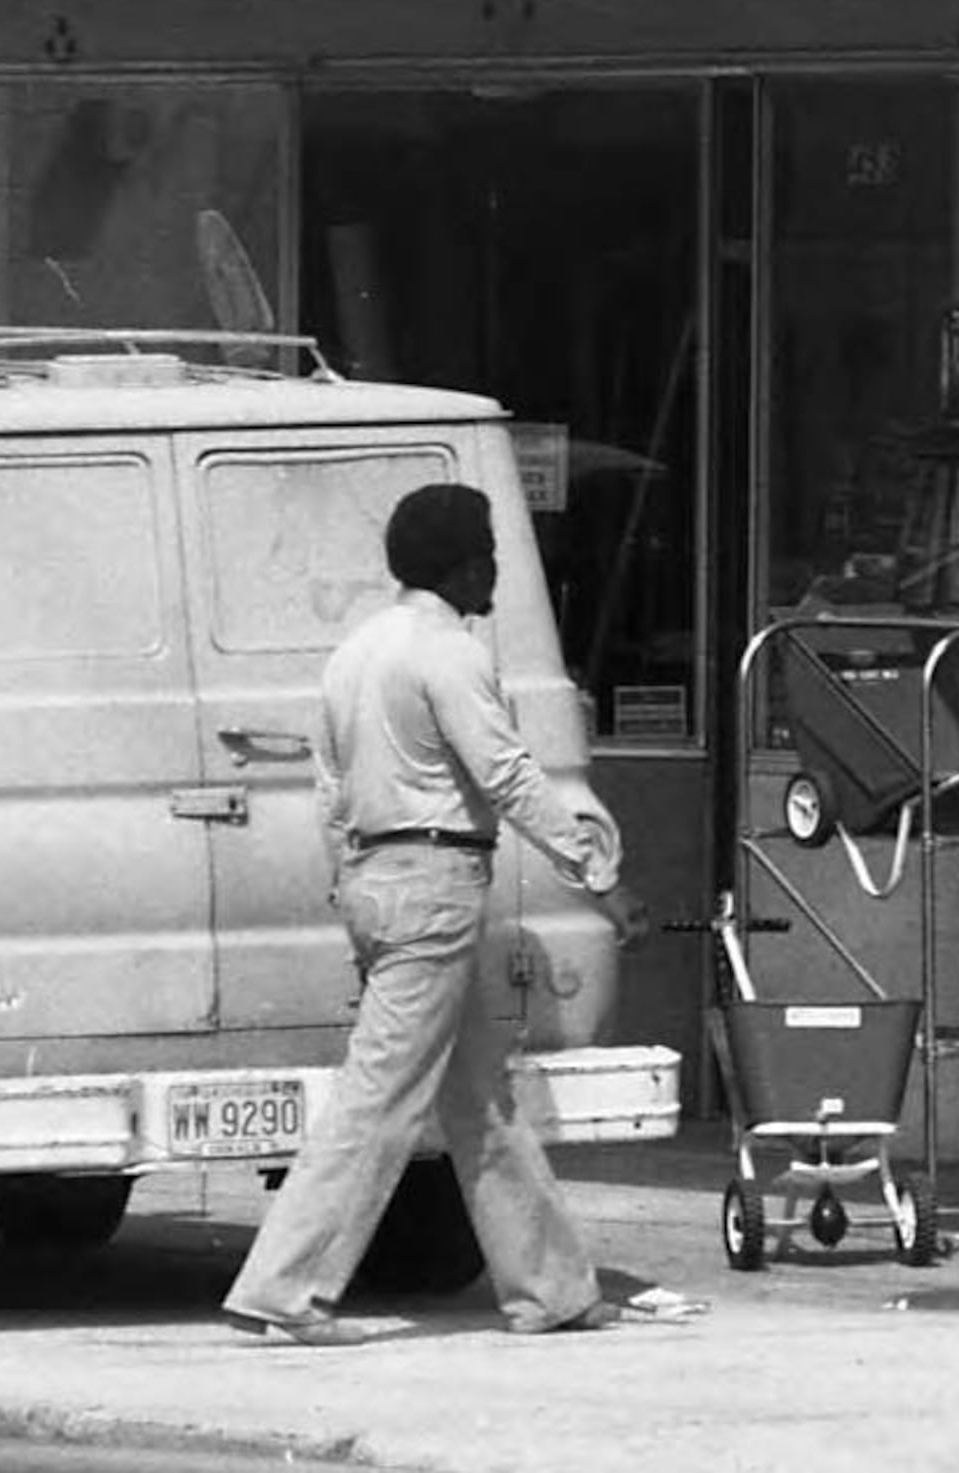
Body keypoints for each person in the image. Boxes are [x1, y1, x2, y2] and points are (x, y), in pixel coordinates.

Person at [221, 480, 668, 1345]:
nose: (495, 568)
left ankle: (552, 1289)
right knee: (379, 1098)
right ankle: (283, 1290)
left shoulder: (355, 651)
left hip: (375, 876)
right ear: (461, 564)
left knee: (481, 1097)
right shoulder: (450, 651)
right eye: (489, 553)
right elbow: (506, 776)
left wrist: (350, 885)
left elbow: (328, 785)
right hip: (435, 881)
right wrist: (598, 876)